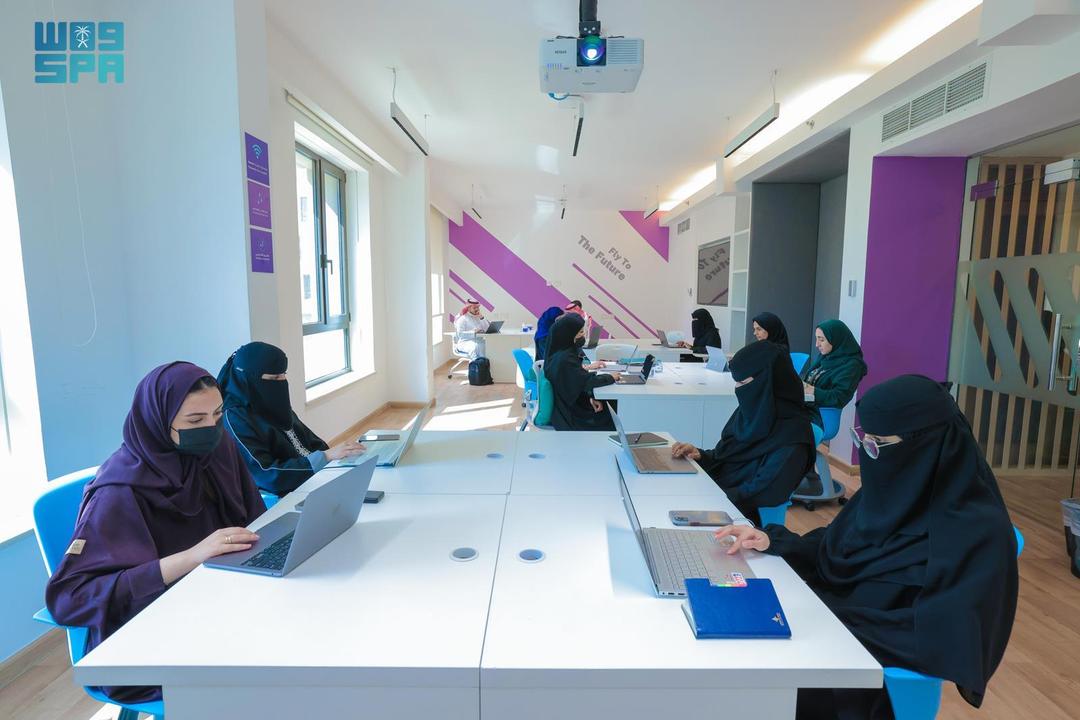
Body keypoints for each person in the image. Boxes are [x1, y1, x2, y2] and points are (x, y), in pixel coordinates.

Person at [717, 375, 1019, 719]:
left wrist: (819, 622)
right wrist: (774, 540)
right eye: (863, 439)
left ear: (925, 447)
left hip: (866, 674)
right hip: (828, 634)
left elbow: (941, 636)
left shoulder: (978, 534)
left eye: (878, 444)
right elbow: (837, 547)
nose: (866, 454)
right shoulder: (897, 489)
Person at [46, 362, 268, 705]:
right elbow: (69, 599)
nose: (211, 428)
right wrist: (192, 557)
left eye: (217, 415)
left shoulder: (215, 450)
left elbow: (254, 521)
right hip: (149, 630)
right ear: (157, 421)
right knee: (268, 674)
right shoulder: (118, 493)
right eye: (195, 421)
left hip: (218, 596)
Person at [670, 340, 816, 524]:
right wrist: (701, 456)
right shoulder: (755, 412)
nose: (738, 389)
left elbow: (763, 491)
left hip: (740, 518)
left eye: (742, 382)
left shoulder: (793, 437)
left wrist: (708, 496)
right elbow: (727, 456)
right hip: (720, 496)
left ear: (766, 382)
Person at [218, 342, 366, 497]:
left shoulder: (272, 402)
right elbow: (267, 474)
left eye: (283, 375)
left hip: (315, 480)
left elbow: (312, 444)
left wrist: (338, 457)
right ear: (249, 378)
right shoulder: (235, 418)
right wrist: (326, 457)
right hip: (287, 495)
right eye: (274, 377)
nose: (282, 382)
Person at [544, 313, 621, 431]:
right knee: (616, 408)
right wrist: (611, 377)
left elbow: (577, 382)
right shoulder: (566, 359)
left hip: (569, 408)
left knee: (609, 404)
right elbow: (586, 382)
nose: (583, 334)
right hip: (571, 417)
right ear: (568, 335)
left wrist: (590, 397)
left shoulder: (561, 353)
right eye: (580, 332)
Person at [802, 319, 867, 410]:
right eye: (816, 338)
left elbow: (839, 398)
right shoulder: (826, 356)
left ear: (836, 339)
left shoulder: (852, 365)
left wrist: (811, 390)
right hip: (805, 406)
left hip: (818, 413)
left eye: (821, 340)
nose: (817, 344)